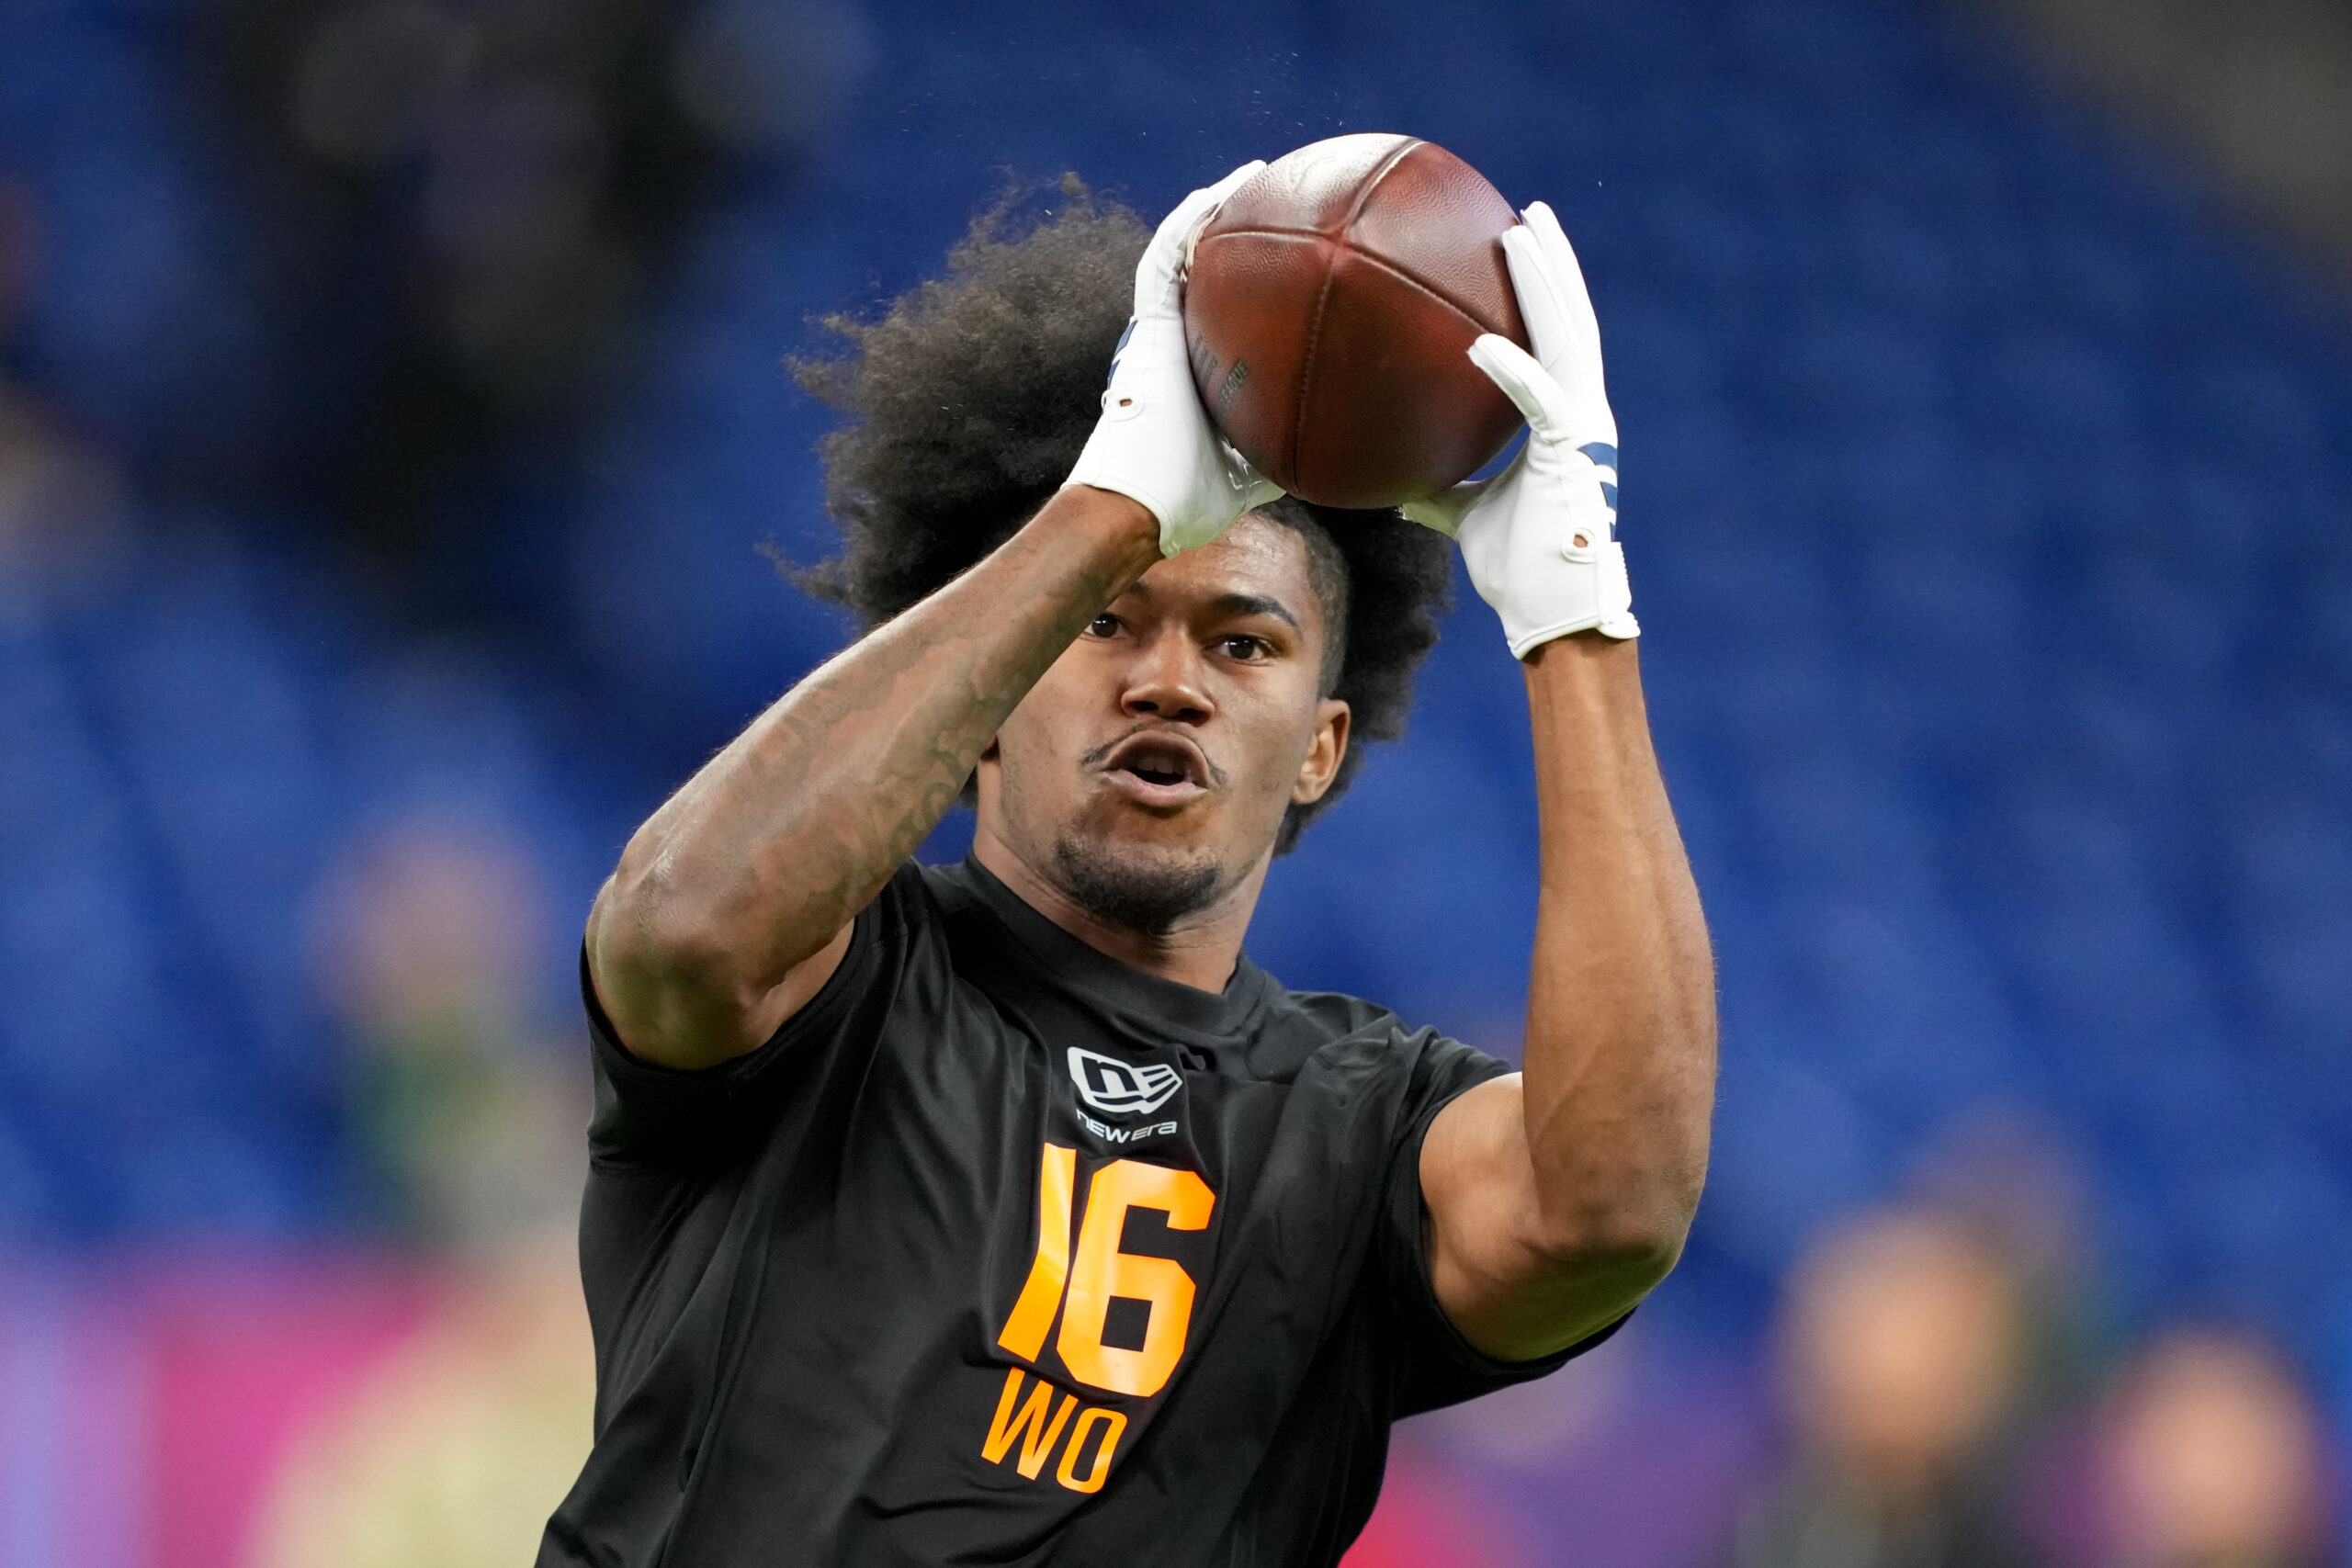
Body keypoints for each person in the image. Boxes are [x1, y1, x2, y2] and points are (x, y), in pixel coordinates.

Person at [540, 160, 1716, 1566]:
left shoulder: (1361, 1131)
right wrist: (1110, 507)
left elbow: (1609, 1212)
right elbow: (679, 928)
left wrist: (1576, 610)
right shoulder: (829, 985)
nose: (1171, 682)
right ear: (985, 693)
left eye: (1243, 642)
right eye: (1106, 621)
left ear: (1322, 748)